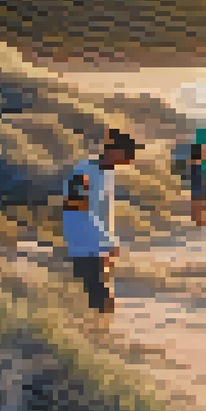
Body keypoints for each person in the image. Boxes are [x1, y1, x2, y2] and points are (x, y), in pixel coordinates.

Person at [62, 130, 139, 314]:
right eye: (127, 155)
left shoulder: (108, 173)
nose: (129, 161)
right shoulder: (83, 172)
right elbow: (74, 208)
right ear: (114, 151)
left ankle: (101, 338)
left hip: (98, 248)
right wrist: (107, 241)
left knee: (101, 304)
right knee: (100, 304)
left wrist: (108, 245)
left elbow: (104, 214)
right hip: (84, 248)